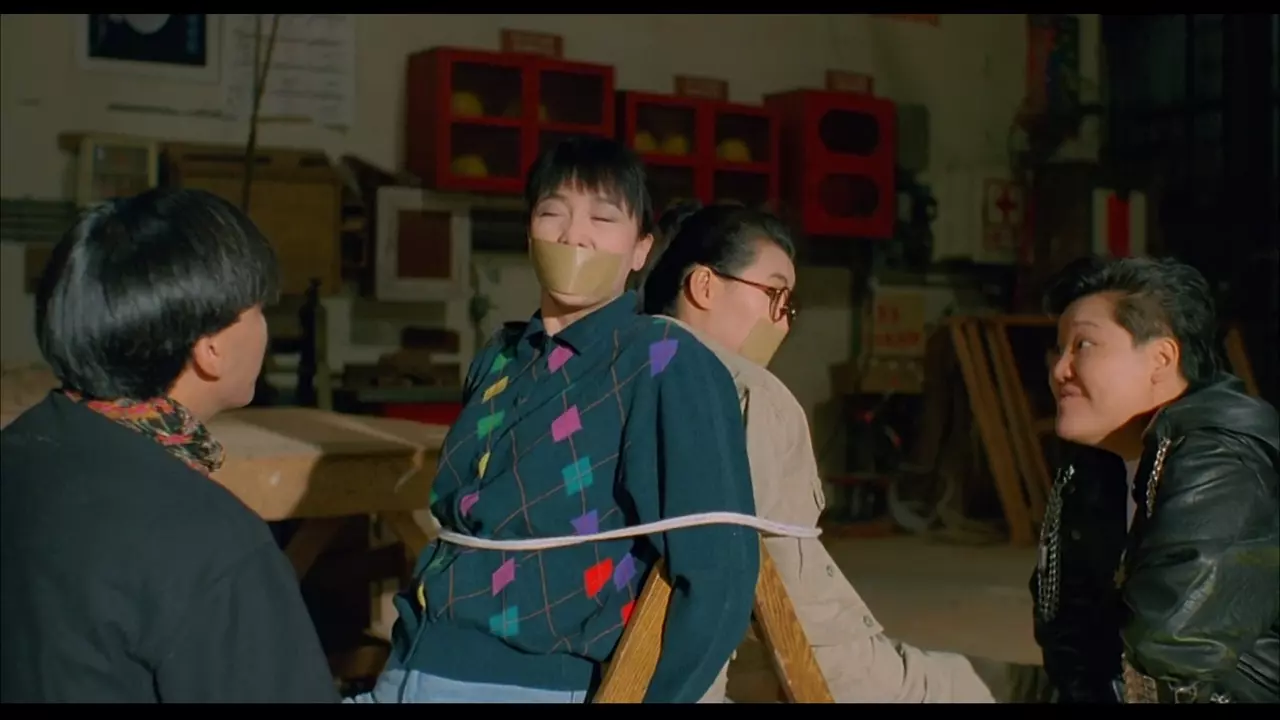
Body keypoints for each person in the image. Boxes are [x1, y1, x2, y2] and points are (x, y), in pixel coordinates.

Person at [349, 137, 760, 704]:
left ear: (641, 249)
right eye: (552, 213)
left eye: (603, 218)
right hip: (410, 662)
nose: (574, 235)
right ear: (530, 234)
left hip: (524, 685)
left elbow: (721, 572)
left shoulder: (662, 359)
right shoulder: (500, 356)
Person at [641, 201, 1048, 703]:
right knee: (958, 687)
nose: (782, 322)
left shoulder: (623, 362)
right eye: (773, 294)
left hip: (665, 641)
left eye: (788, 305)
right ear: (704, 286)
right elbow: (753, 573)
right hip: (774, 648)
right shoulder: (747, 392)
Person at [0, 188, 338, 703]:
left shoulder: (21, 451)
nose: (265, 327)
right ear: (211, 349)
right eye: (259, 308)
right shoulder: (212, 542)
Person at [1032, 255, 1279, 703]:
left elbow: (1172, 658)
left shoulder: (1223, 463)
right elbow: (1070, 639)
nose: (1059, 370)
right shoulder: (1097, 467)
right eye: (1058, 349)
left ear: (1162, 358)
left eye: (1083, 345)